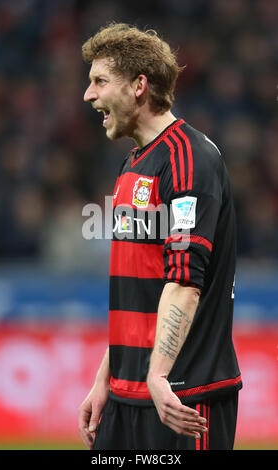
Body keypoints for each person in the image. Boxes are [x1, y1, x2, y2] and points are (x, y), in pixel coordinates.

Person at [78, 22, 242, 451]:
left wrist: (158, 375)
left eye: (99, 81)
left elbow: (186, 283)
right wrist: (105, 379)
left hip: (181, 396)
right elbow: (143, 291)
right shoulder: (132, 165)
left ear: (138, 86)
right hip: (127, 396)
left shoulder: (191, 160)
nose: (88, 95)